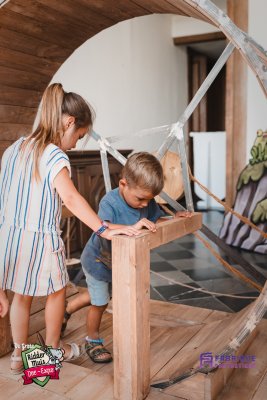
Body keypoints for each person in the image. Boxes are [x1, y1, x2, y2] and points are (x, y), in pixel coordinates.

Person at [0, 83, 140, 374]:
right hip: (40, 239)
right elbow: (72, 198)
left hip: (10, 237)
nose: (76, 144)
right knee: (57, 292)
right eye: (78, 135)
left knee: (20, 296)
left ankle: (18, 356)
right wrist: (104, 230)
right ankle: (51, 353)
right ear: (68, 122)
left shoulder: (15, 148)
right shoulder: (54, 155)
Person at [61, 152, 191, 363]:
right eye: (140, 199)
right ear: (123, 184)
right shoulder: (109, 201)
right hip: (97, 261)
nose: (143, 205)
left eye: (148, 200)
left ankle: (67, 309)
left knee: (101, 296)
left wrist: (173, 216)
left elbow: (155, 217)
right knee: (101, 302)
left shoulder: (145, 202)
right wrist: (130, 227)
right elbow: (104, 226)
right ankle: (92, 340)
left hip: (118, 264)